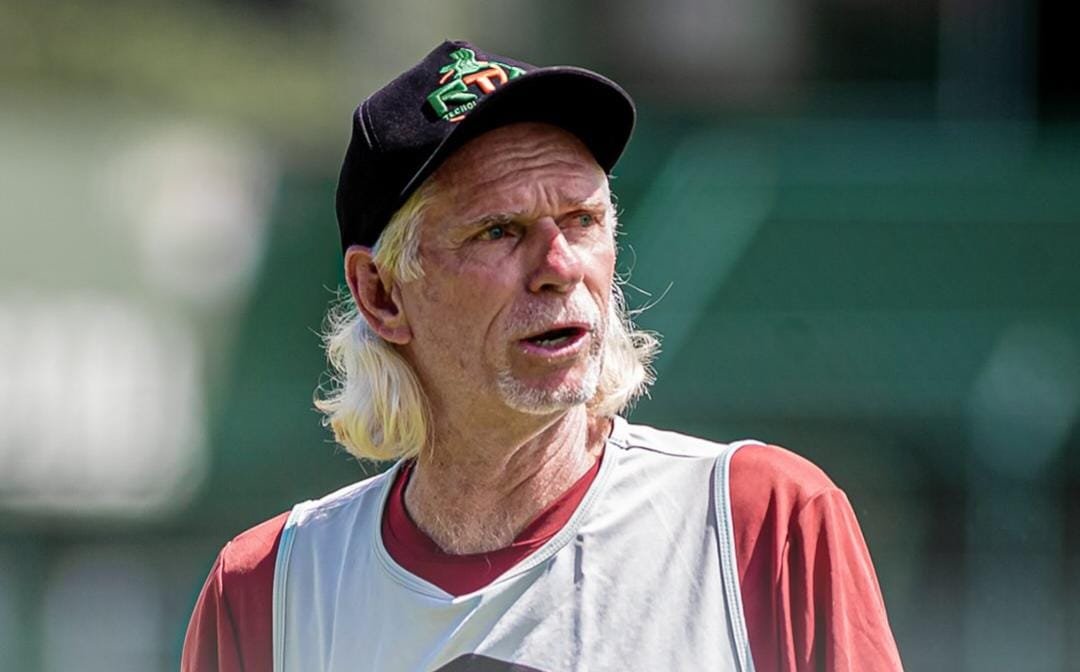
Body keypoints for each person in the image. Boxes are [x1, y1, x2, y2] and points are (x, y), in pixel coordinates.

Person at [181, 40, 903, 672]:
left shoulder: (758, 524)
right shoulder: (270, 590)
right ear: (382, 294)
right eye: (499, 230)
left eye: (583, 219)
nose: (559, 264)